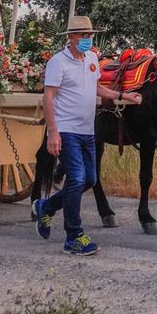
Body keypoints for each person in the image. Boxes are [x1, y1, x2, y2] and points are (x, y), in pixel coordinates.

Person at [31, 15, 142, 256]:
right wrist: (53, 133)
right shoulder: (57, 63)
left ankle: (46, 207)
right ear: (70, 37)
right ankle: (73, 236)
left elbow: (96, 88)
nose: (87, 39)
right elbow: (48, 97)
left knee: (90, 180)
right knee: (78, 179)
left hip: (87, 130)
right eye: (82, 35)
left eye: (90, 35)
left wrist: (124, 96)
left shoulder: (92, 59)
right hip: (67, 129)